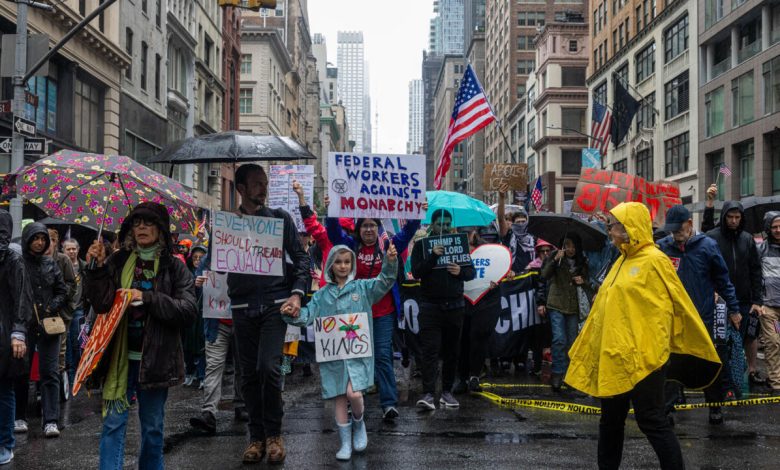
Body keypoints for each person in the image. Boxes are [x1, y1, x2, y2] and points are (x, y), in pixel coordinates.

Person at [566, 202, 722, 470]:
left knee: (651, 420)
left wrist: (657, 349)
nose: (610, 230)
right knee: (610, 422)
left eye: (613, 225)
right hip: (615, 358)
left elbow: (674, 307)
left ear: (629, 229)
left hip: (644, 359)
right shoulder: (621, 261)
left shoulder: (655, 260)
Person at [84, 202, 197, 469]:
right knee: (112, 423)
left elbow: (189, 310)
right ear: (129, 229)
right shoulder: (117, 260)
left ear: (161, 230)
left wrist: (146, 298)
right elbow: (101, 304)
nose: (142, 228)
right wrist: (97, 268)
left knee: (153, 427)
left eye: (149, 223)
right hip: (118, 359)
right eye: (137, 223)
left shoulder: (174, 267)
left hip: (156, 359)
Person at [282, 242, 398, 460]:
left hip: (357, 354)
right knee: (338, 397)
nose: (343, 266)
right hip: (333, 356)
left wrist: (390, 262)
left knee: (354, 394)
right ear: (330, 265)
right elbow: (307, 315)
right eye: (338, 261)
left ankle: (359, 421)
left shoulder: (363, 288)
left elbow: (385, 281)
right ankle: (345, 443)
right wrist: (291, 314)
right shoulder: (322, 295)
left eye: (347, 262)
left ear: (352, 264)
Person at [227, 164, 310, 465]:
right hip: (241, 306)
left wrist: (297, 293)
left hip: (276, 305)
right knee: (247, 375)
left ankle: (274, 434)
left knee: (269, 369)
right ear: (240, 188)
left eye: (265, 183)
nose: (263, 188)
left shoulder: (280, 219)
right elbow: (215, 262)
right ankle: (256, 438)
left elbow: (301, 258)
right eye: (256, 184)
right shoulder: (227, 223)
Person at [325, 198, 424, 421]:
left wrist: (417, 212)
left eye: (373, 225)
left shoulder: (387, 246)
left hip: (383, 313)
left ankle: (389, 404)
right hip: (354, 313)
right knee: (353, 358)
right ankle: (353, 402)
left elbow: (408, 232)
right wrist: (331, 211)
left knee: (382, 357)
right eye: (364, 225)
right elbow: (333, 234)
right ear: (358, 229)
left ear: (378, 228)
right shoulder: (350, 246)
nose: (369, 229)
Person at [657, 205, 741, 425]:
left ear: (690, 224)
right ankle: (667, 409)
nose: (675, 234)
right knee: (671, 363)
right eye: (672, 230)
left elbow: (723, 281)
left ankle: (715, 406)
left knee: (709, 361)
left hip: (703, 317)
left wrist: (734, 310)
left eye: (679, 229)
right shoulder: (662, 248)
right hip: (674, 318)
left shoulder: (708, 247)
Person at [411, 209, 476, 409]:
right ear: (432, 225)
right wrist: (432, 256)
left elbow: (471, 272)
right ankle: (429, 393)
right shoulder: (422, 245)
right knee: (430, 351)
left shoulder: (459, 244)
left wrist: (460, 272)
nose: (445, 227)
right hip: (430, 307)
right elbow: (417, 272)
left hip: (455, 307)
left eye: (448, 224)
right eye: (440, 224)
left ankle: (446, 392)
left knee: (451, 352)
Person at [704, 198, 765, 387]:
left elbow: (755, 270)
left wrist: (757, 300)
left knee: (750, 335)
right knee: (721, 339)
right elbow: (705, 267)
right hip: (719, 298)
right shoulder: (713, 237)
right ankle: (723, 376)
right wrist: (711, 291)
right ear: (724, 217)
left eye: (737, 217)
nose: (733, 221)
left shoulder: (747, 239)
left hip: (745, 298)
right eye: (730, 217)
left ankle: (751, 371)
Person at [15, 222, 68, 437]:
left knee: (50, 372)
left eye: (42, 238)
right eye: (35, 238)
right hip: (24, 325)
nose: (39, 242)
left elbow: (62, 291)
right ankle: (19, 416)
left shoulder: (51, 264)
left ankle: (51, 420)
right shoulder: (17, 264)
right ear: (27, 239)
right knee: (21, 372)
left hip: (49, 325)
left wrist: (51, 306)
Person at [189, 248, 248, 435]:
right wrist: (196, 282)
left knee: (244, 365)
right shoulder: (209, 258)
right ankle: (209, 413)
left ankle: (242, 404)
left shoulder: (248, 256)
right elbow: (195, 281)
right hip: (216, 322)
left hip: (244, 320)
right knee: (213, 366)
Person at [541, 232, 592, 391]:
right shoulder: (555, 256)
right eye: (567, 245)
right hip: (556, 303)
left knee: (572, 341)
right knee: (559, 339)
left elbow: (588, 281)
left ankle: (570, 375)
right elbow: (545, 274)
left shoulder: (582, 260)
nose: (571, 249)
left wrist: (583, 280)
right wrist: (555, 260)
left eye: (573, 245)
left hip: (573, 306)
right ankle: (557, 373)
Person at [0, 210, 32, 464]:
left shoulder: (13, 259)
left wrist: (18, 333)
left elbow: (22, 297)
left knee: (4, 389)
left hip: (5, 334)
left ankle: (5, 443)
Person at [45, 227, 77, 392]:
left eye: (50, 240)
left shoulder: (63, 260)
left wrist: (60, 296)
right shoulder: (35, 259)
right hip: (42, 313)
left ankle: (59, 379)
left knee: (60, 348)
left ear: (56, 242)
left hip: (61, 312)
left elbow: (72, 284)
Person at [758, 212, 780, 395]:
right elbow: (755, 276)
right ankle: (776, 382)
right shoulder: (761, 249)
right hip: (769, 306)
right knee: (773, 342)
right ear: (768, 229)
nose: (778, 230)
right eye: (774, 227)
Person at [62, 238, 87, 387]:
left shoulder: (84, 266)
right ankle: (71, 377)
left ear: (78, 250)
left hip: (79, 309)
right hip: (65, 310)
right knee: (67, 346)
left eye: (74, 249)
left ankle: (80, 373)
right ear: (63, 250)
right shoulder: (61, 265)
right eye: (68, 249)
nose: (71, 251)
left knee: (79, 342)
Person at [182, 245, 208, 389]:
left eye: (201, 258)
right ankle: (189, 373)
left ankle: (202, 375)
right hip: (190, 315)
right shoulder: (187, 273)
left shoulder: (210, 273)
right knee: (188, 346)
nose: (197, 260)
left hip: (204, 316)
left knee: (202, 346)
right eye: (195, 258)